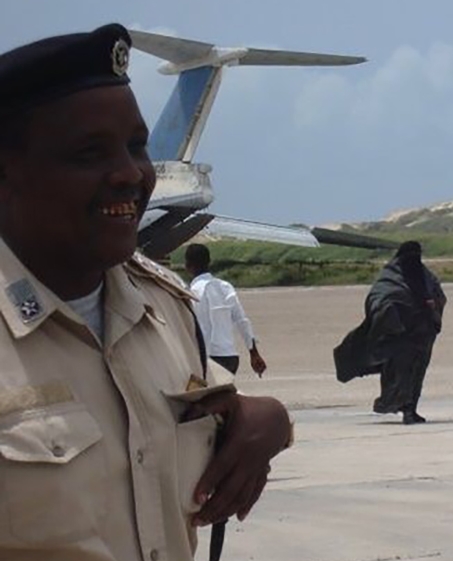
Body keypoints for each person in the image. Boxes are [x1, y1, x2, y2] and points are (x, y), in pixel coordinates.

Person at [0, 24, 293, 561]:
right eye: (89, 153)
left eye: (137, 146)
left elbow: (202, 412)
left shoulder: (164, 310)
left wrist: (268, 420)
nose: (131, 173)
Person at [334, 241, 446, 425]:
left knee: (417, 373)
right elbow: (378, 299)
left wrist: (432, 306)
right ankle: (405, 409)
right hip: (399, 335)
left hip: (421, 334)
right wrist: (390, 316)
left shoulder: (425, 275)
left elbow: (437, 293)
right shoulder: (390, 276)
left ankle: (411, 409)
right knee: (400, 374)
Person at [185, 243, 267, 376]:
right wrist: (254, 353)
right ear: (209, 262)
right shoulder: (226, 287)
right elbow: (242, 321)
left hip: (208, 358)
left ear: (188, 266)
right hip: (230, 357)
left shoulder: (192, 292)